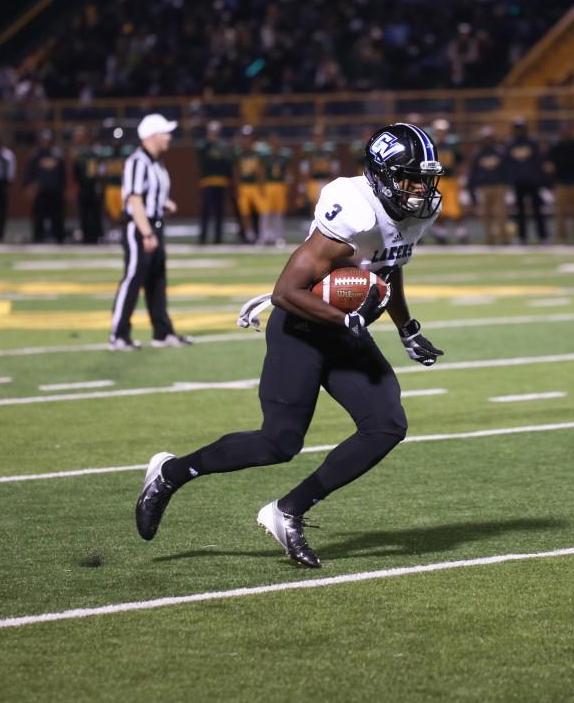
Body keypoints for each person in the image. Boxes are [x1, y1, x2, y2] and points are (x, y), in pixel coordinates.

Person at [135, 123, 446, 568]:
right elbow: (285, 291)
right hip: (300, 327)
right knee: (278, 443)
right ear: (380, 174)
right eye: (410, 178)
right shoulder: (353, 209)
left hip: (344, 328)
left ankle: (288, 511)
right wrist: (347, 317)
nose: (420, 189)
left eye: (425, 178)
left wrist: (407, 328)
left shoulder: (414, 213)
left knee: (386, 424)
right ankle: (170, 473)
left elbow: (388, 269)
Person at [109, 114, 192, 351]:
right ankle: (118, 334)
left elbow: (148, 196)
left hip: (154, 225)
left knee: (157, 280)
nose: (169, 137)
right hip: (139, 227)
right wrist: (146, 233)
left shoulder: (156, 163)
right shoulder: (138, 162)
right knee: (133, 279)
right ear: (153, 135)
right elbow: (134, 199)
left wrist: (164, 205)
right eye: (165, 132)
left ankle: (162, 332)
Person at [504, 117, 548, 244]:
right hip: (518, 182)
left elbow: (538, 162)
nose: (519, 131)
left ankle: (542, 236)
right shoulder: (510, 144)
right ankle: (522, 237)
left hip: (532, 181)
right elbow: (508, 164)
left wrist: (539, 178)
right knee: (520, 212)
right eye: (517, 128)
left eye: (521, 128)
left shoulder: (532, 143)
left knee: (537, 210)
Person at [547, 122, 574, 245]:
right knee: (560, 213)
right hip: (561, 183)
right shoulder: (556, 146)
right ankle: (562, 238)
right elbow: (550, 166)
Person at [429, 119, 468, 244]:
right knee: (438, 209)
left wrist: (461, 177)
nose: (441, 133)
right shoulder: (431, 146)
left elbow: (460, 162)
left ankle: (461, 234)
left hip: (451, 180)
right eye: (439, 131)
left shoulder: (452, 146)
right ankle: (441, 235)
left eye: (443, 131)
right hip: (437, 180)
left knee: (455, 209)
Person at [469, 126, 509, 245]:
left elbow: (507, 169)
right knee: (485, 215)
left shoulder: (500, 151)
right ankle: (489, 238)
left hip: (499, 186)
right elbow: (473, 172)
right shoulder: (477, 153)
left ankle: (504, 238)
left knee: (501, 214)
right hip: (484, 187)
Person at [25, 129, 66, 243]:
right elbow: (30, 172)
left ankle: (59, 238)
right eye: (44, 139)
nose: (45, 142)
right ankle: (38, 238)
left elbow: (63, 173)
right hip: (40, 191)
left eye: (47, 139)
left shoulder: (57, 155)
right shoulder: (36, 155)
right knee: (39, 217)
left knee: (57, 216)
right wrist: (29, 185)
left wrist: (63, 188)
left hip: (55, 191)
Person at [196, 121, 233, 245]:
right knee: (206, 212)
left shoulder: (222, 146)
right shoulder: (204, 145)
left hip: (221, 182)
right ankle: (203, 237)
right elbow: (201, 158)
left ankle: (218, 238)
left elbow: (227, 163)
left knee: (219, 212)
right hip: (207, 182)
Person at [71, 125, 104, 244]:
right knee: (85, 213)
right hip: (84, 187)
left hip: (92, 187)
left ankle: (95, 235)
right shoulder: (79, 155)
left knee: (94, 213)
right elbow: (75, 173)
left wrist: (98, 185)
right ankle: (87, 235)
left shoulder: (94, 154)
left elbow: (99, 172)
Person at [233, 124, 264, 243]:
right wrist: (236, 187)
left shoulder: (258, 152)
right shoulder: (238, 153)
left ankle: (261, 234)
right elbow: (236, 172)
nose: (246, 140)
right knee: (244, 212)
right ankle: (249, 235)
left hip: (255, 186)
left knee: (261, 211)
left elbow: (261, 172)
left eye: (248, 137)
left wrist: (261, 186)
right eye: (244, 137)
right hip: (244, 186)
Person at [261, 132, 292, 246]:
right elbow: (262, 172)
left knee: (278, 213)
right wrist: (261, 187)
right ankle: (265, 237)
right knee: (266, 212)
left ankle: (278, 237)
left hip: (280, 185)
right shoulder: (265, 156)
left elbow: (288, 172)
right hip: (268, 185)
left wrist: (288, 185)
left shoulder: (284, 155)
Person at [0, 134, 16, 242]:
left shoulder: (7, 155)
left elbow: (11, 171)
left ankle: (0, 234)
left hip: (2, 184)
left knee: (2, 211)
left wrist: (8, 183)